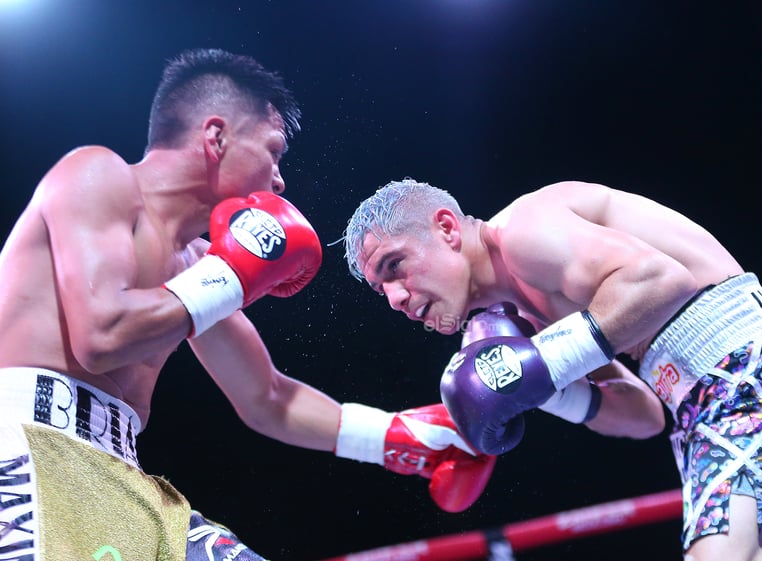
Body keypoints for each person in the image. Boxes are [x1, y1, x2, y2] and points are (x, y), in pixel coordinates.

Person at [0, 51, 495, 561]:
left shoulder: (196, 263)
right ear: (216, 137)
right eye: (273, 150)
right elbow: (100, 337)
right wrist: (232, 275)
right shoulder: (97, 175)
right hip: (23, 451)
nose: (279, 180)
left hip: (119, 471)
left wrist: (401, 438)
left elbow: (268, 397)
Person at [342, 177, 762, 561]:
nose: (395, 297)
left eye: (394, 265)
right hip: (711, 399)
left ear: (447, 228)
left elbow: (661, 279)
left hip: (745, 371)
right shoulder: (527, 323)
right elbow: (645, 416)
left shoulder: (525, 234)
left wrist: (548, 363)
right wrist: (549, 390)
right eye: (380, 289)